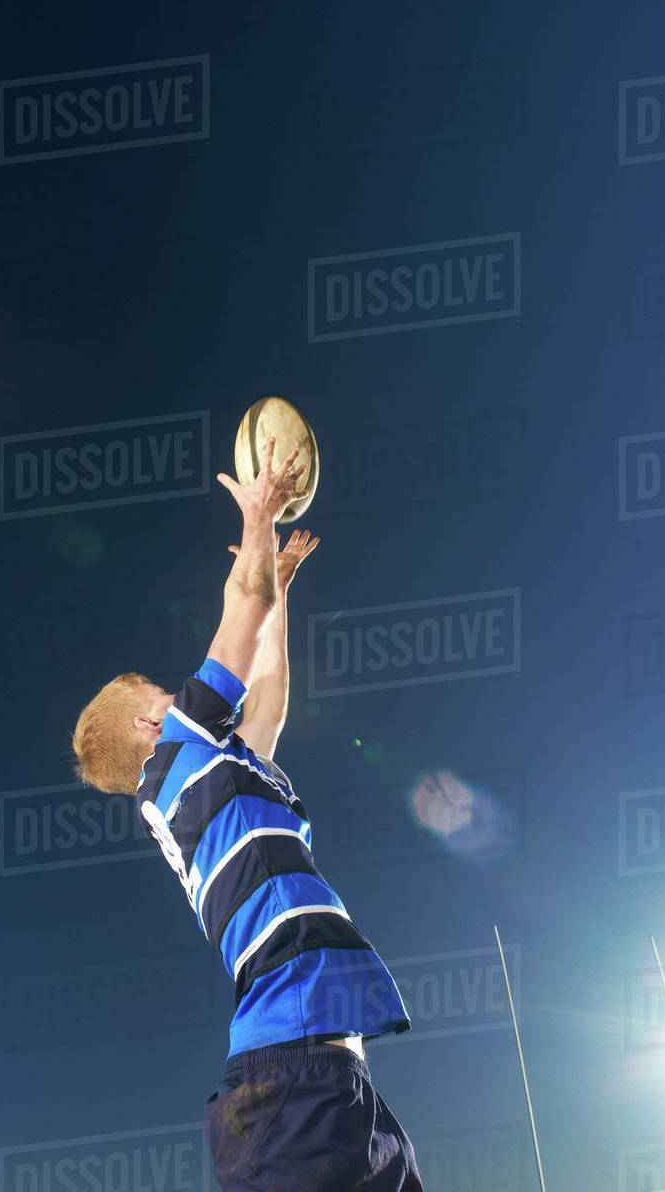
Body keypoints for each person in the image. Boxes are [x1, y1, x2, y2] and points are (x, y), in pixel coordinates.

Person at [72, 439, 423, 1191]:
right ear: (147, 727)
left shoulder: (209, 777)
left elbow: (265, 700)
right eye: (166, 697)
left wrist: (281, 586)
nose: (182, 698)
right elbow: (243, 605)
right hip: (285, 1085)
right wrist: (258, 520)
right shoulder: (177, 753)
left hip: (330, 1074)